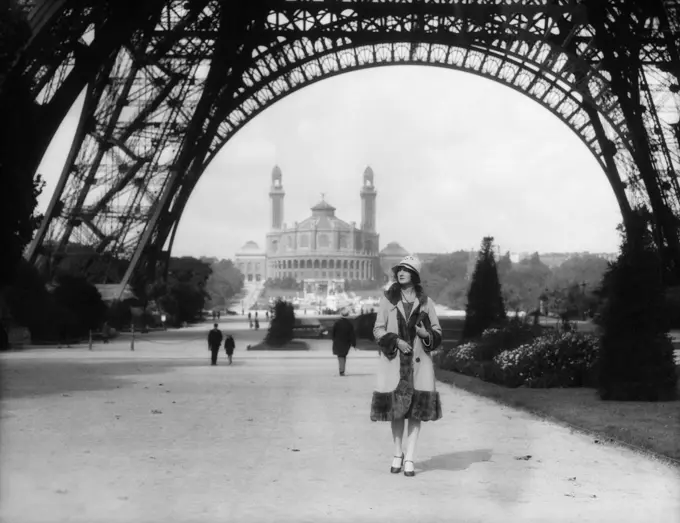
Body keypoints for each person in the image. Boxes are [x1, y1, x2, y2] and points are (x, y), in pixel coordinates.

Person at [370, 255, 442, 478]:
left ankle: (410, 457)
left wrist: (424, 334)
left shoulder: (426, 303)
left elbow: (438, 333)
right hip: (395, 365)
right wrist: (396, 341)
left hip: (419, 366)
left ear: (414, 275)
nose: (401, 273)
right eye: (399, 269)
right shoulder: (388, 300)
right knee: (397, 413)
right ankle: (397, 453)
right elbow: (378, 330)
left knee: (416, 413)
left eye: (406, 270)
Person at [331, 307, 356, 376]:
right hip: (346, 342)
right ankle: (342, 370)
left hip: (338, 342)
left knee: (340, 356)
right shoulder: (349, 324)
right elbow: (352, 335)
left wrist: (334, 339)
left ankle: (341, 370)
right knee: (343, 355)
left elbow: (333, 333)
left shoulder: (337, 323)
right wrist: (353, 343)